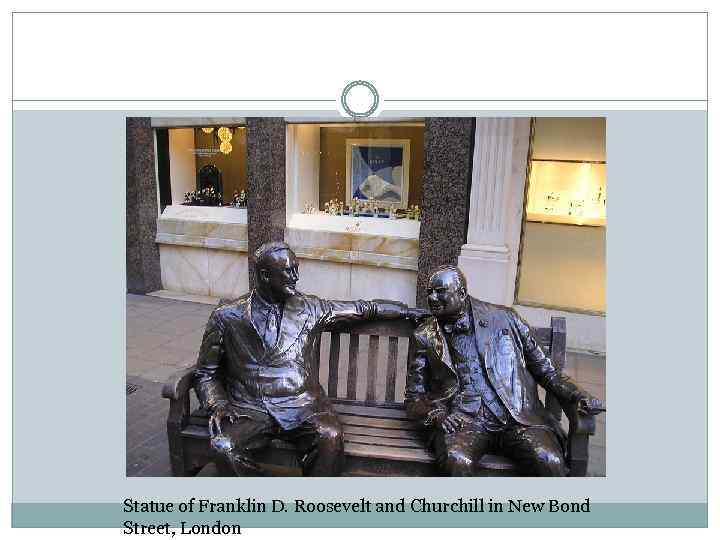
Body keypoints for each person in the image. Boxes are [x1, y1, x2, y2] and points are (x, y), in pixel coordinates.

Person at [194, 241, 420, 476]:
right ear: (264, 275)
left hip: (303, 406)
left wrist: (406, 312)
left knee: (329, 436)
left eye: (296, 268)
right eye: (287, 271)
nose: (295, 276)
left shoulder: (311, 308)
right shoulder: (228, 316)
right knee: (224, 446)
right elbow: (206, 373)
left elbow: (363, 309)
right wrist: (217, 403)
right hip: (251, 408)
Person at [405, 265, 604, 476]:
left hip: (518, 417)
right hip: (465, 420)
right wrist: (437, 415)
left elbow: (548, 372)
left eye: (440, 291)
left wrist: (578, 394)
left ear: (462, 293)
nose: (433, 298)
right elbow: (413, 397)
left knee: (549, 460)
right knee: (457, 460)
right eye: (429, 292)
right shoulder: (424, 336)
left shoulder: (506, 318)